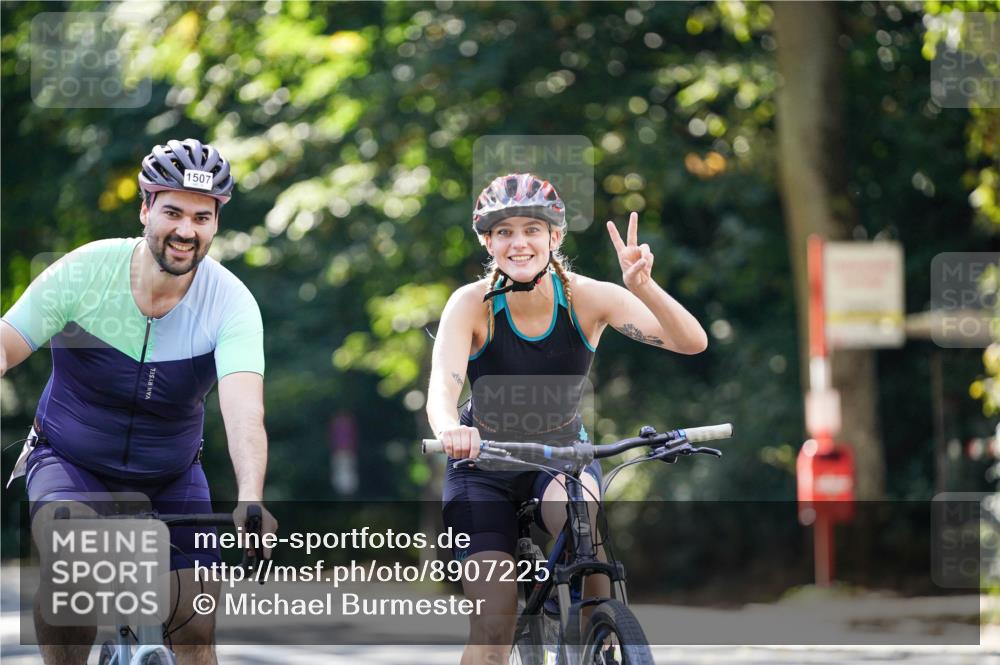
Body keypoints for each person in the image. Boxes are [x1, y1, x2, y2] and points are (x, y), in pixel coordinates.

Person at [0, 139, 278, 665]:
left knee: (195, 630)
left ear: (216, 223)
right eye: (172, 212)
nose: (186, 230)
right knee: (73, 568)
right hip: (69, 462)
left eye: (202, 217)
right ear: (145, 209)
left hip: (171, 474)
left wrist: (250, 495)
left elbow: (244, 411)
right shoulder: (86, 272)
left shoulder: (231, 302)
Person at [426, 173, 708, 663]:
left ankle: (591, 639)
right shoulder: (471, 305)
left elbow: (691, 342)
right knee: (494, 626)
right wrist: (451, 430)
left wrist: (644, 287)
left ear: (554, 237)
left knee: (590, 555)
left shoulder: (587, 297)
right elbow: (441, 392)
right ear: (487, 241)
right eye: (505, 231)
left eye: (532, 229)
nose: (519, 242)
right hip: (483, 467)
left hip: (561, 458)